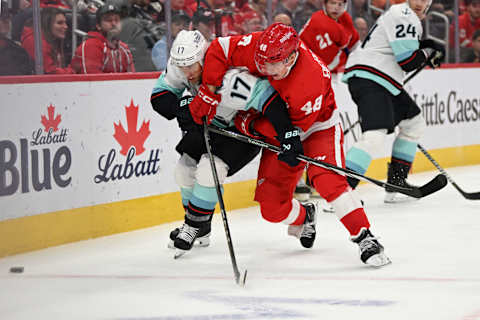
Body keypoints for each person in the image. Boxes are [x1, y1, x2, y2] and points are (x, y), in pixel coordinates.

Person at [188, 23, 391, 267]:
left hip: (316, 128)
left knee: (327, 180)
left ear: (292, 57)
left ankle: (365, 237)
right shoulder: (260, 47)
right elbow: (219, 49)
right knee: (271, 209)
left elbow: (293, 129)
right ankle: (306, 215)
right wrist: (209, 89)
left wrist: (245, 124)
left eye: (273, 64)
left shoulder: (309, 79)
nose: (265, 69)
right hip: (280, 130)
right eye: (262, 62)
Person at [150, 30, 287, 256]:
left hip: (241, 129)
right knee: (183, 170)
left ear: (204, 57)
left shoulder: (231, 77)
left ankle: (192, 226)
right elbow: (159, 96)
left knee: (209, 170)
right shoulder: (182, 65)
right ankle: (200, 229)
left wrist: (287, 134)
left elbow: (271, 100)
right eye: (182, 66)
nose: (187, 72)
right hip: (210, 123)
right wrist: (181, 108)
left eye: (192, 66)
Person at [341, 0, 445, 202]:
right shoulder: (404, 14)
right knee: (375, 136)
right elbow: (407, 61)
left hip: (383, 79)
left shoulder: (406, 15)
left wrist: (429, 46)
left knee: (414, 123)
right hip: (371, 77)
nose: (419, 3)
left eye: (425, 0)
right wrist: (428, 54)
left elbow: (399, 48)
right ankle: (340, 192)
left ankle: (397, 181)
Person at [71, 4, 135, 74]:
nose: (114, 23)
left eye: (117, 20)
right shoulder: (90, 46)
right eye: (108, 20)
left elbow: (131, 79)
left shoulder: (124, 48)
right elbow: (92, 81)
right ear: (98, 26)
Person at [21, 6, 73, 74]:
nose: (66, 26)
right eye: (60, 23)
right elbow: (51, 72)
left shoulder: (53, 38)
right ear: (47, 24)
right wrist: (73, 70)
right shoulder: (35, 42)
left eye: (65, 22)